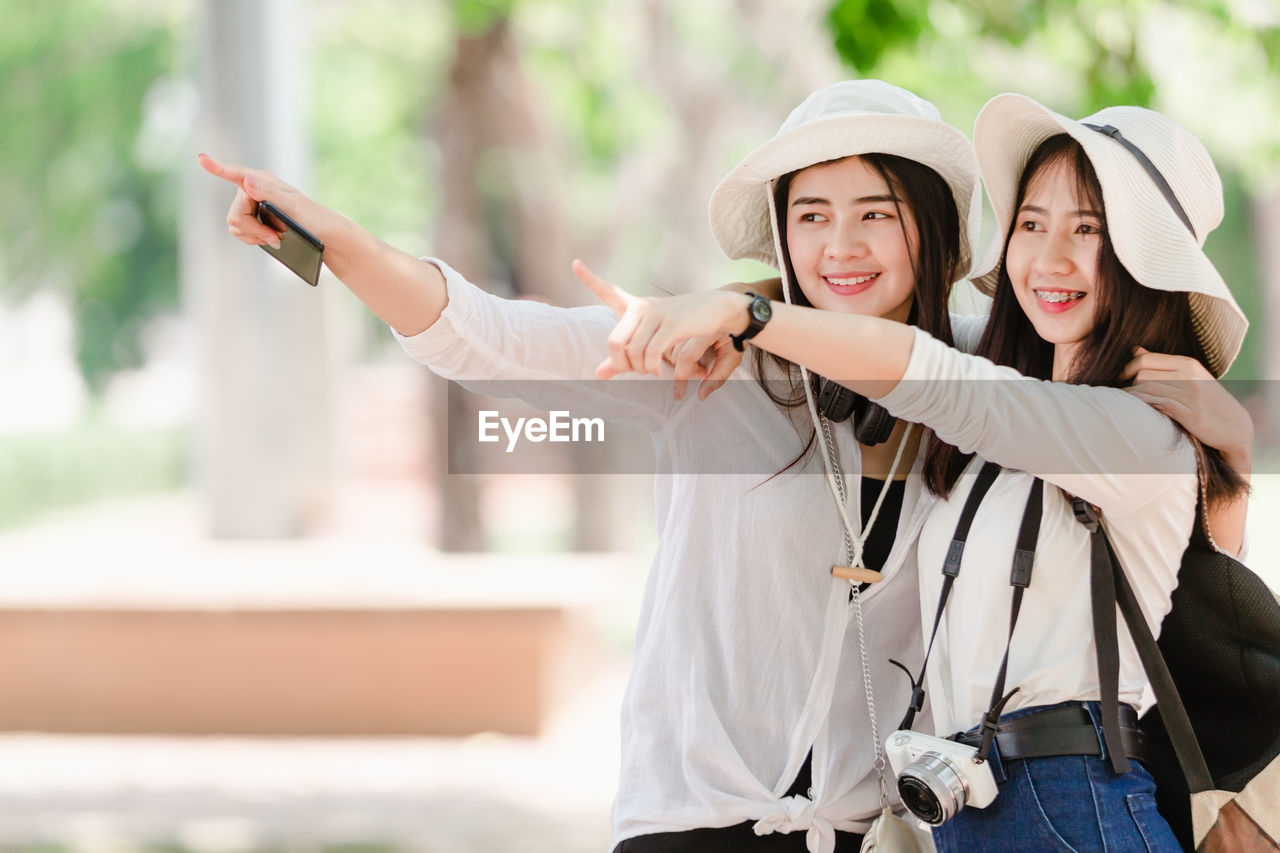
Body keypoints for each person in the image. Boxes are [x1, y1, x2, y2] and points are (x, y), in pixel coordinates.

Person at [202, 79, 989, 852]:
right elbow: (492, 338)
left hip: (876, 834)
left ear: (931, 229)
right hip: (695, 827)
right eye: (811, 215)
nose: (839, 247)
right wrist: (340, 241)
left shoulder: (979, 386)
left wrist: (747, 299)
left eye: (876, 215)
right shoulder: (705, 360)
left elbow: (1076, 344)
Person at [578, 95, 1251, 851]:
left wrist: (751, 316)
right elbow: (915, 337)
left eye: (1088, 229)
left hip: (1073, 802)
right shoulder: (1007, 425)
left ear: (1143, 258)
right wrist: (754, 296)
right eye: (1031, 223)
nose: (1049, 256)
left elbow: (924, 370)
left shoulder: (1133, 429)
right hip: (972, 804)